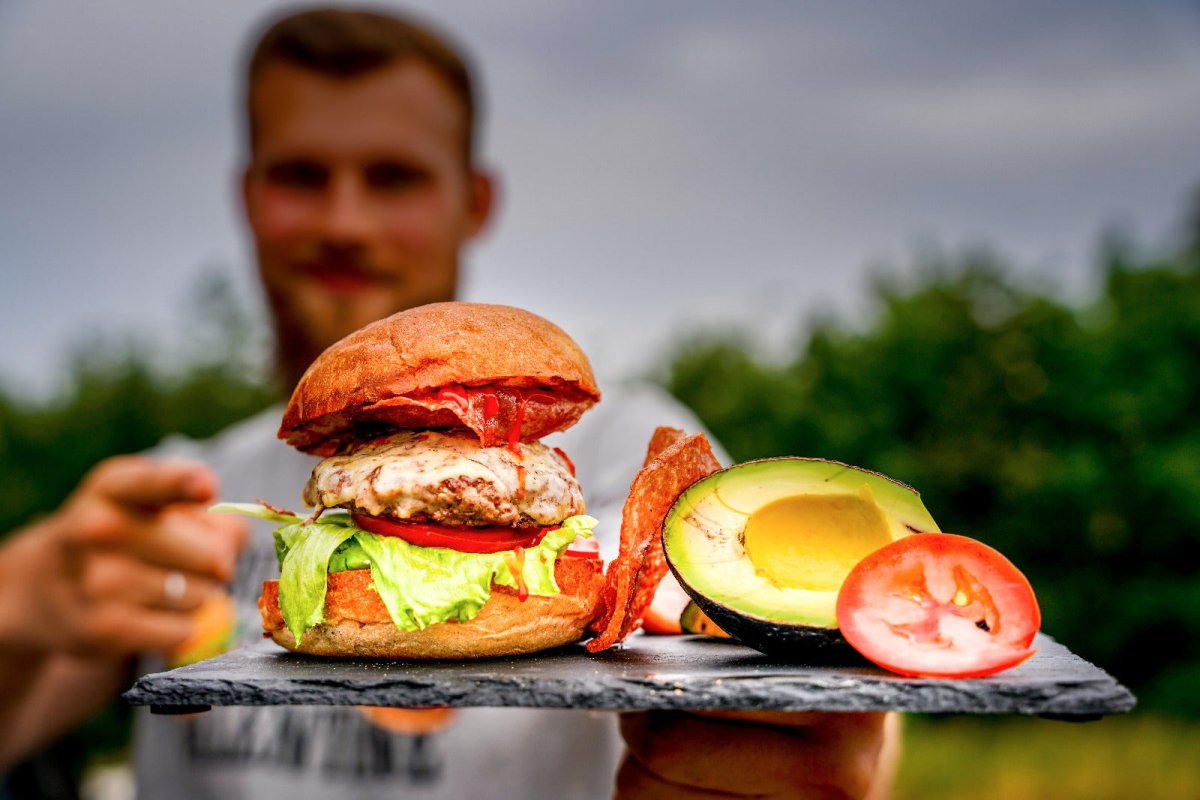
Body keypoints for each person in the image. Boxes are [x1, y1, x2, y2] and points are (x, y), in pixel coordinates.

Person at [0, 7, 896, 798]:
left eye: (394, 177)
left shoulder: (630, 458)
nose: (345, 223)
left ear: (474, 202)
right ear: (248, 197)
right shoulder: (166, 501)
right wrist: (21, 601)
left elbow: (789, 687)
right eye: (301, 176)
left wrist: (835, 749)